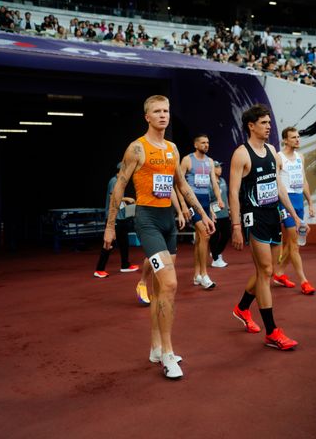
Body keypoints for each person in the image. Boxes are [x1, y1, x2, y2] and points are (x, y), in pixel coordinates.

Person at [103, 95, 214, 380]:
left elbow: (182, 186)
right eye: (157, 111)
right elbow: (119, 187)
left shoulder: (173, 149)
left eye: (166, 110)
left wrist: (202, 215)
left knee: (160, 291)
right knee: (171, 283)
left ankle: (155, 347)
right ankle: (167, 353)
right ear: (147, 117)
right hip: (147, 220)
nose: (163, 115)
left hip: (168, 222)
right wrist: (111, 225)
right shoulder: (137, 148)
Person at [230, 103, 305, 349]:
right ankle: (272, 332)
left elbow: (278, 186)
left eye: (269, 122)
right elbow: (233, 192)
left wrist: (294, 215)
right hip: (255, 217)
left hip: (273, 215)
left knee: (269, 271)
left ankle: (242, 308)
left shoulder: (272, 150)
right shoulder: (241, 154)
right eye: (264, 122)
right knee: (264, 270)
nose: (268, 126)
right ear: (251, 126)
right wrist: (236, 225)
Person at [273, 127, 316, 295]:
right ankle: (304, 281)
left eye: (298, 137)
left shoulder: (300, 157)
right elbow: (277, 182)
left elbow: (303, 180)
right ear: (285, 140)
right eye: (293, 137)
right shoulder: (279, 157)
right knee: (294, 243)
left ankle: (279, 273)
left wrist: (310, 202)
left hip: (299, 201)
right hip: (286, 203)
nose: (298, 140)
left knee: (293, 243)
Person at [180, 134, 224, 289]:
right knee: (205, 234)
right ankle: (205, 275)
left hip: (205, 200)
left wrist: (218, 199)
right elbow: (178, 183)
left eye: (208, 142)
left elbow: (214, 182)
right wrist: (183, 206)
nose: (206, 145)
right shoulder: (187, 160)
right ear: (195, 144)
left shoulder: (210, 162)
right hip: (192, 200)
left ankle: (197, 275)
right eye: (203, 142)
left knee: (200, 239)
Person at [94, 163, 139, 278]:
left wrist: (127, 207)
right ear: (121, 171)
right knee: (109, 242)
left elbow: (119, 201)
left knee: (124, 242)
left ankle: (125, 265)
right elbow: (112, 197)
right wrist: (127, 198)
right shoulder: (114, 181)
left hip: (121, 217)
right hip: (114, 218)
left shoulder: (120, 182)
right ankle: (99, 269)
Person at [209, 161, 230, 268]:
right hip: (214, 215)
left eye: (220, 167)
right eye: (217, 167)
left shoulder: (222, 180)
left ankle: (215, 252)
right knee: (215, 236)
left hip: (225, 213)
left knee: (227, 234)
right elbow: (206, 199)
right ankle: (216, 259)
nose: (220, 169)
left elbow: (225, 196)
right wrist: (211, 213)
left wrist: (229, 208)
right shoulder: (209, 183)